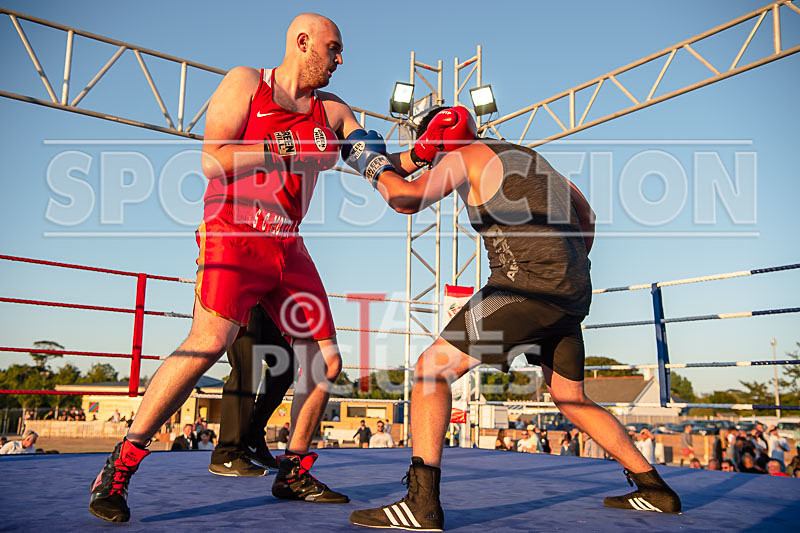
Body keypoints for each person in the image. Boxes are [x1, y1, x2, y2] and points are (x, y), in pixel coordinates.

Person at [87, 13, 371, 522]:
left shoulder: (331, 110)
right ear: (302, 42)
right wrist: (283, 145)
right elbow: (212, 159)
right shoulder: (247, 83)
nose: (340, 59)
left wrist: (415, 158)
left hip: (287, 242)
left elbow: (366, 151)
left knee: (324, 361)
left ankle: (293, 471)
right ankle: (119, 466)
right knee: (208, 344)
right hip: (234, 231)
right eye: (333, 48)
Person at [347, 106, 680, 530]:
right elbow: (587, 215)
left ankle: (421, 504)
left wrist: (371, 165)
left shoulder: (462, 155)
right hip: (572, 293)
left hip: (525, 287)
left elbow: (405, 198)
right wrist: (566, 266)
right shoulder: (531, 158)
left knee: (432, 368)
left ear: (436, 138)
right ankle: (654, 488)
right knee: (570, 397)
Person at [209, 304, 296, 476]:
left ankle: (253, 438)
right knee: (246, 369)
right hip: (239, 299)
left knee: (286, 364)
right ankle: (226, 454)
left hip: (262, 305)